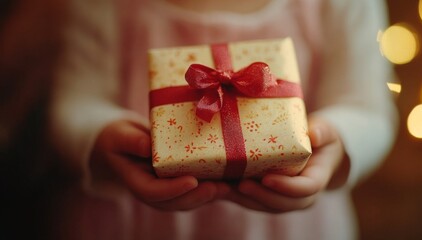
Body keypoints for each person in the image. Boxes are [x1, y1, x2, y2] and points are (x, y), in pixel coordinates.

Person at [49, 0, 398, 239]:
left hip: (295, 224)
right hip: (131, 218)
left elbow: (368, 109)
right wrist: (105, 137)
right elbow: (76, 104)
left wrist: (333, 141)